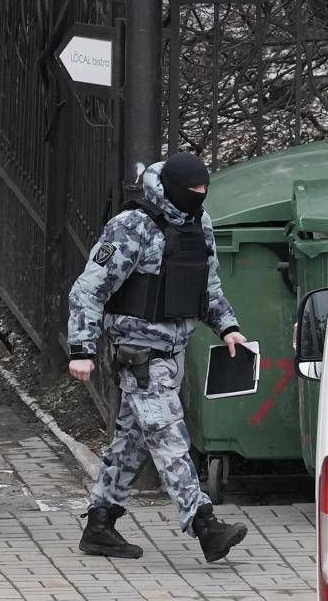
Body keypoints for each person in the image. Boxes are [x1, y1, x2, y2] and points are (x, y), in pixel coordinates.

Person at [67, 152, 249, 563]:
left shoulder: (199, 223)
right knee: (170, 439)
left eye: (204, 190)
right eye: (192, 190)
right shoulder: (133, 226)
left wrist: (228, 326)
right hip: (139, 353)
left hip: (173, 351)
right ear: (172, 189)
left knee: (130, 444)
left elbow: (208, 287)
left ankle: (99, 524)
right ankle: (204, 524)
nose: (199, 196)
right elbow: (88, 290)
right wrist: (81, 348)